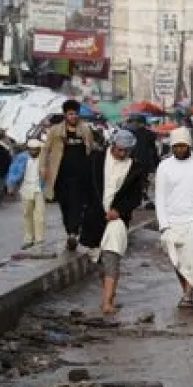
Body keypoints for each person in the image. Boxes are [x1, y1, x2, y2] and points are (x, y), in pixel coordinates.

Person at [80, 130, 148, 316]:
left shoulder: (135, 168)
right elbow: (84, 185)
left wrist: (119, 210)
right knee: (98, 258)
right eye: (119, 150)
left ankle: (107, 302)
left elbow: (135, 196)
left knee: (112, 255)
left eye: (126, 151)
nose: (123, 154)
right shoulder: (96, 160)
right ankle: (109, 292)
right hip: (94, 217)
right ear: (112, 146)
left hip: (118, 218)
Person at [154, 129, 193, 308]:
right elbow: (160, 197)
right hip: (172, 222)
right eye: (176, 146)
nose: (179, 149)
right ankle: (186, 292)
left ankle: (188, 295)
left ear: (189, 145)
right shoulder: (164, 167)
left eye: (183, 146)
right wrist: (163, 225)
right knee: (177, 261)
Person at [42, 99, 98, 251]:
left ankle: (74, 232)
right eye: (70, 114)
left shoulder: (85, 130)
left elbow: (91, 149)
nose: (73, 117)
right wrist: (43, 168)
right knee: (64, 204)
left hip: (80, 176)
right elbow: (46, 150)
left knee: (77, 204)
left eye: (75, 114)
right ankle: (69, 231)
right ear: (65, 115)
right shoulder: (55, 131)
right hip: (61, 175)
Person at [8, 138, 48, 249]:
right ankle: (28, 239)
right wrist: (11, 184)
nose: (34, 152)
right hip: (25, 188)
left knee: (40, 214)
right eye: (31, 150)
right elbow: (13, 170)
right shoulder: (21, 158)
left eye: (36, 150)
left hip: (39, 188)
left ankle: (39, 239)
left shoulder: (44, 159)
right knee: (27, 214)